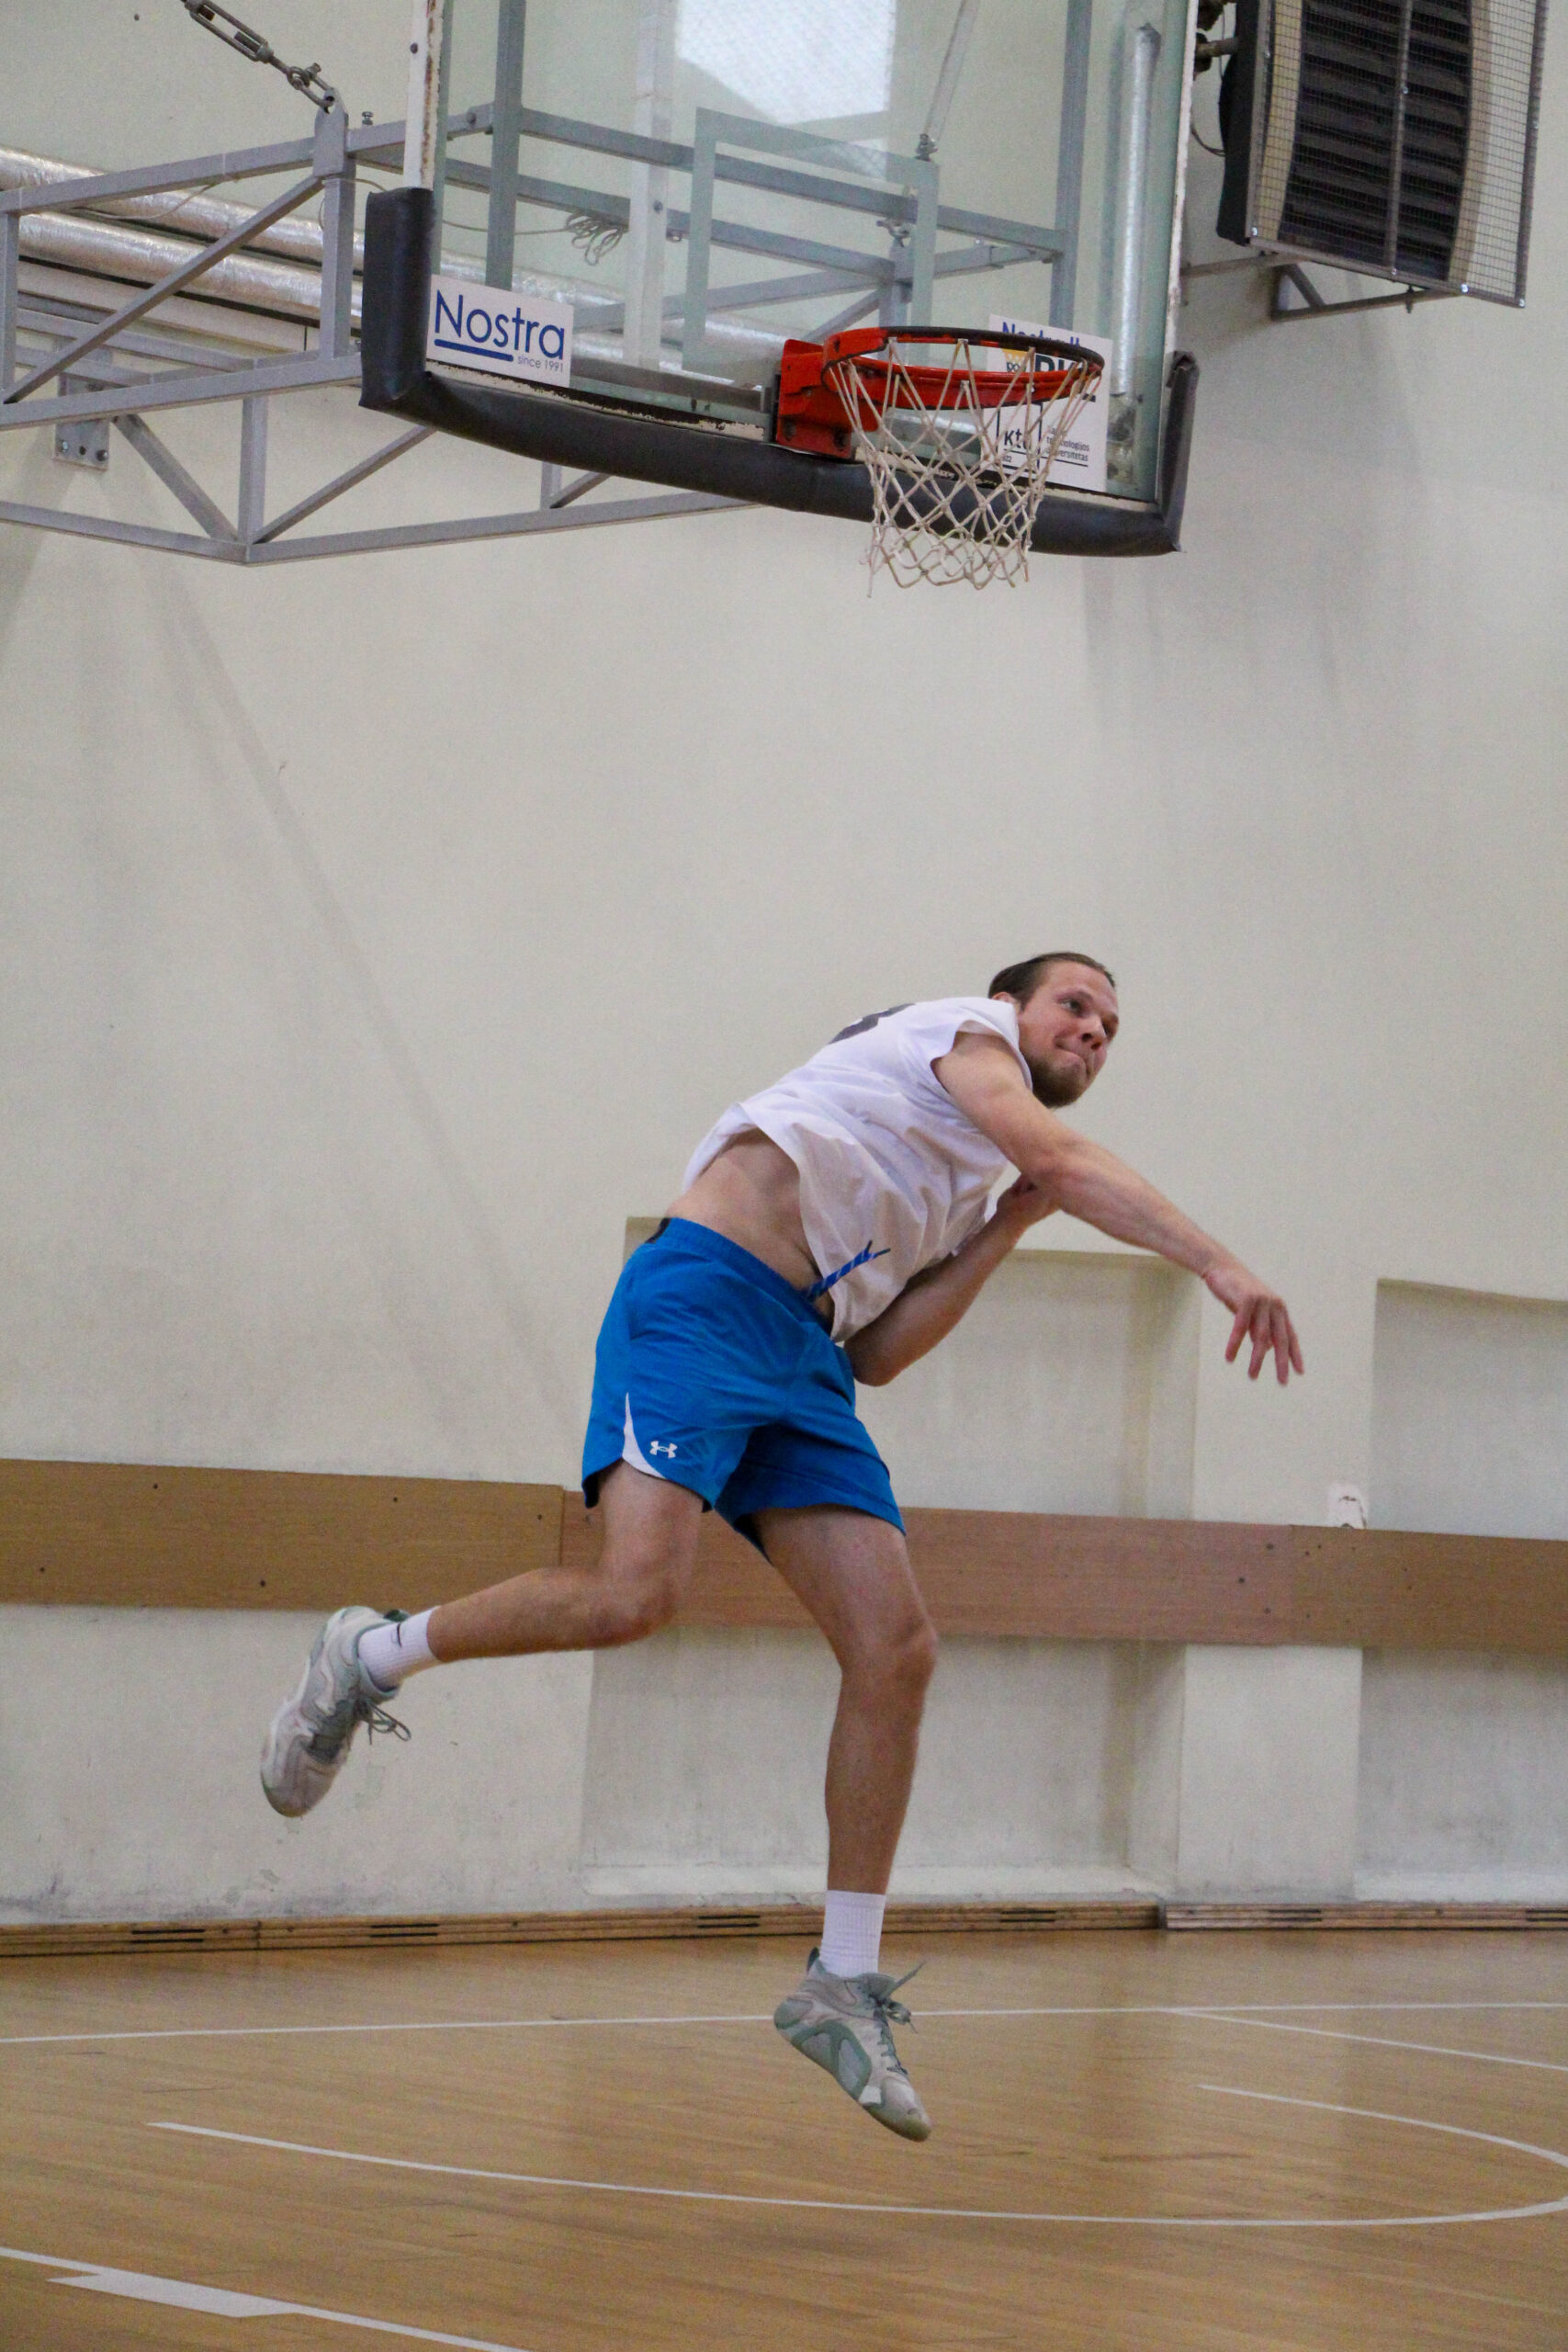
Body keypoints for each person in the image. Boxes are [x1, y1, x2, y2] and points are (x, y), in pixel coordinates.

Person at [261, 954, 1303, 2142]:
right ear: (1011, 1004)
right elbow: (1065, 1155)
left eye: (1112, 1028)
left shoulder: (970, 1174)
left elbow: (881, 1353)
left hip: (807, 1354)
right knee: (633, 1597)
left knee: (897, 1650)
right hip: (706, 1296)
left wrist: (1013, 1219)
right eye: (1077, 1005)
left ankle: (840, 1982)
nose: (1095, 1032)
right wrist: (1217, 1263)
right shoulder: (963, 1038)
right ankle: (371, 1656)